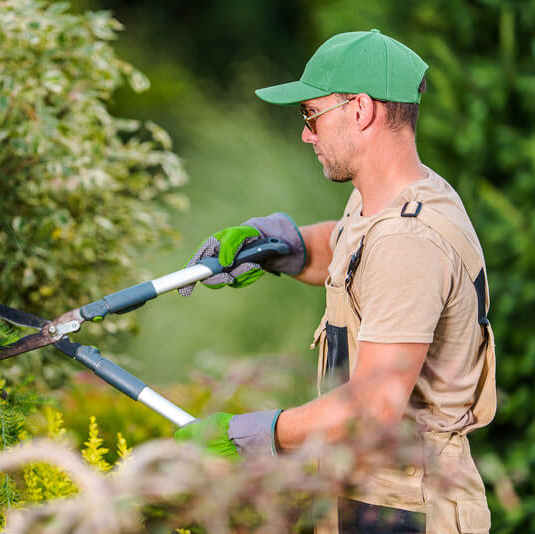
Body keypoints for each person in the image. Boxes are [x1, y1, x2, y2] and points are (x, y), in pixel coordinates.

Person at [174, 29, 496, 533]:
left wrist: (253, 433)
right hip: (368, 495)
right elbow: (357, 253)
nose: (306, 133)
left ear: (361, 110)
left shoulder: (411, 241)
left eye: (312, 115)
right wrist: (280, 246)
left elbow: (371, 412)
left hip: (408, 510)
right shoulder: (391, 198)